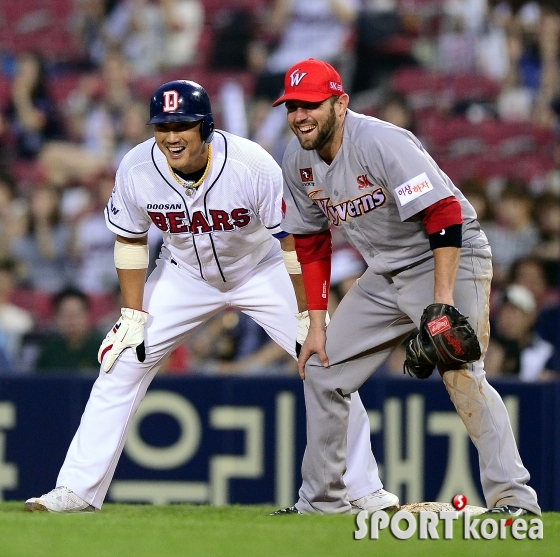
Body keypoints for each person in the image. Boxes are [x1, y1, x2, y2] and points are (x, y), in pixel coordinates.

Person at [24, 79, 398, 513]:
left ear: (204, 126)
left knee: (327, 362)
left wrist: (307, 312)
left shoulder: (250, 164)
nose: (170, 136)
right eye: (162, 126)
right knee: (122, 361)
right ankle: (75, 490)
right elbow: (129, 239)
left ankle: (365, 490)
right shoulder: (137, 167)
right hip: (183, 275)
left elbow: (292, 243)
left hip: (263, 269)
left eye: (182, 125)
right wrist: (132, 313)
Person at [271, 58, 541, 516]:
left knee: (460, 374)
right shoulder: (297, 159)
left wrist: (441, 301)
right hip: (384, 273)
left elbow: (444, 213)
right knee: (322, 368)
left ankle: (515, 501)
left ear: (340, 103)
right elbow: (312, 242)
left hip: (446, 255)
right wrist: (315, 323)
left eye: (312, 104)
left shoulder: (379, 141)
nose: (301, 115)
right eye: (293, 105)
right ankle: (322, 503)